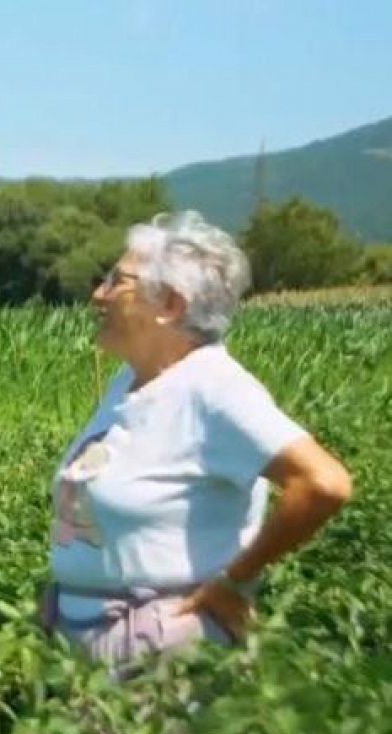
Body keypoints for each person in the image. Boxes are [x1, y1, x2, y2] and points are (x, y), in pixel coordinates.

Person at [41, 211, 352, 677]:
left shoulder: (214, 388)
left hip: (154, 645)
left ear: (169, 303)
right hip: (84, 638)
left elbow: (324, 483)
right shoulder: (131, 380)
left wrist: (234, 581)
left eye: (116, 281)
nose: (98, 294)